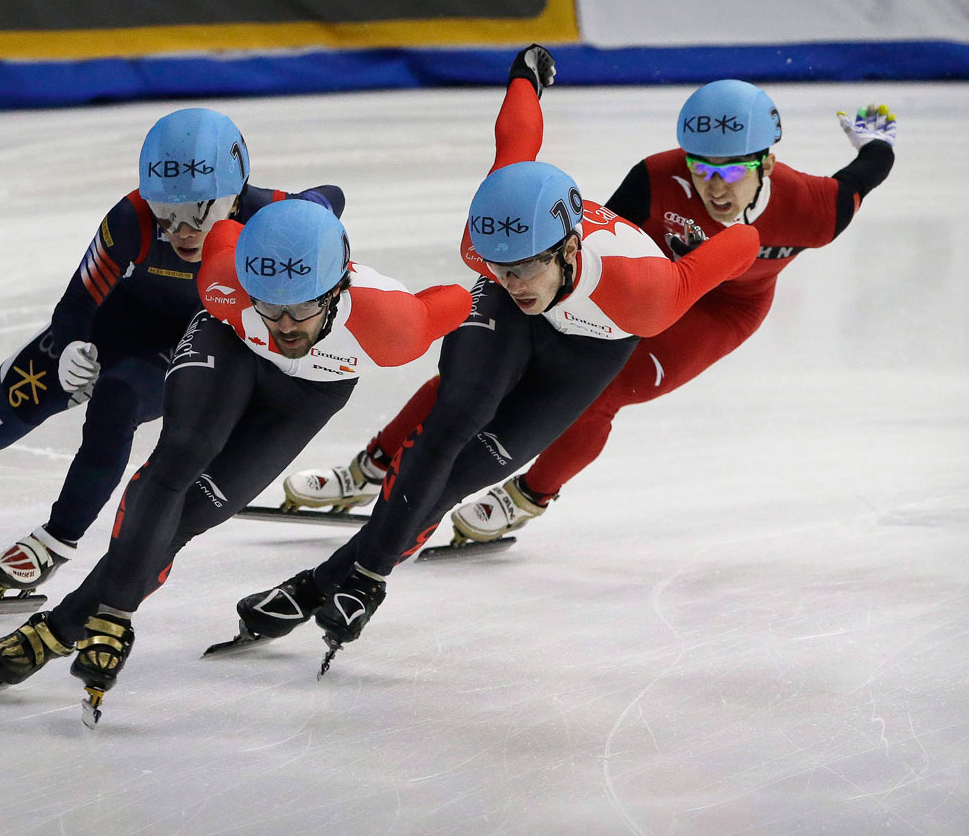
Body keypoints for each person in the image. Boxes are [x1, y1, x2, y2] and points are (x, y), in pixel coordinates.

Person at [227, 46, 763, 670]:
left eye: (529, 266)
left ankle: (320, 584)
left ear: (567, 249)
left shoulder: (646, 291)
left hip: (595, 341)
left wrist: (736, 228)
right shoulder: (498, 247)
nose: (515, 279)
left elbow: (743, 244)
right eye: (500, 265)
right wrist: (525, 77)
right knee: (451, 423)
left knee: (464, 472)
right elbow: (516, 142)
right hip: (511, 322)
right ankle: (367, 574)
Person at [283, 82, 897, 547]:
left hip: (720, 308)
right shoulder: (658, 176)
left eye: (733, 169)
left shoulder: (814, 208)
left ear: (767, 161)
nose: (715, 185)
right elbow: (602, 240)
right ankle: (375, 465)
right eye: (701, 165)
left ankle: (531, 493)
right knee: (480, 372)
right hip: (643, 288)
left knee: (602, 393)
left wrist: (875, 135)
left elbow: (867, 173)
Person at [0, 108, 344, 598]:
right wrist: (71, 343)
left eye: (198, 209)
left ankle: (57, 539)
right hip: (113, 329)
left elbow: (331, 198)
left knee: (116, 404)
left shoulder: (268, 218)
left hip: (184, 344)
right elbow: (76, 302)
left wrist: (313, 210)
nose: (181, 228)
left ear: (236, 191)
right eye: (166, 208)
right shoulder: (132, 219)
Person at [0, 199, 473, 721]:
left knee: (196, 514)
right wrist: (116, 612)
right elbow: (227, 227)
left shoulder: (393, 325)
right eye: (269, 306)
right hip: (227, 345)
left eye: (302, 309)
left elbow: (458, 298)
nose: (285, 326)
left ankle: (59, 628)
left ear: (338, 290)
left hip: (309, 394)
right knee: (179, 458)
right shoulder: (224, 284)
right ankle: (107, 618)